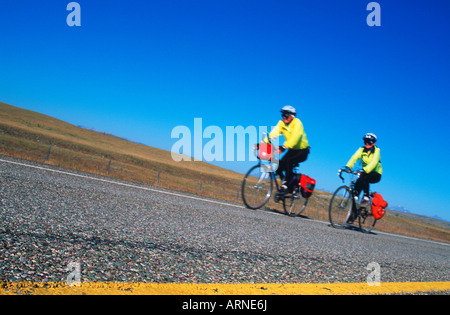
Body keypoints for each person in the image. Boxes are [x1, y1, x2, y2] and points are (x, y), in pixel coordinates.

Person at [266, 105, 310, 193]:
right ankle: (284, 182)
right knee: (279, 165)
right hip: (292, 150)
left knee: (288, 162)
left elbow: (295, 137)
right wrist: (263, 143)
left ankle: (287, 184)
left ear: (292, 115)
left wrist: (283, 147)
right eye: (282, 115)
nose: (283, 117)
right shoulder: (281, 124)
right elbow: (273, 134)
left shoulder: (297, 123)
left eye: (285, 115)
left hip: (302, 151)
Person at [344, 133, 382, 204]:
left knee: (364, 177)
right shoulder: (361, 149)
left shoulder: (377, 151)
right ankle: (355, 202)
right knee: (359, 181)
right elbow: (354, 157)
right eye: (365, 141)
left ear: (373, 143)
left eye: (369, 142)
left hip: (376, 174)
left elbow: (374, 162)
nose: (367, 143)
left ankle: (366, 196)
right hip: (365, 172)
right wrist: (348, 167)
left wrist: (364, 170)